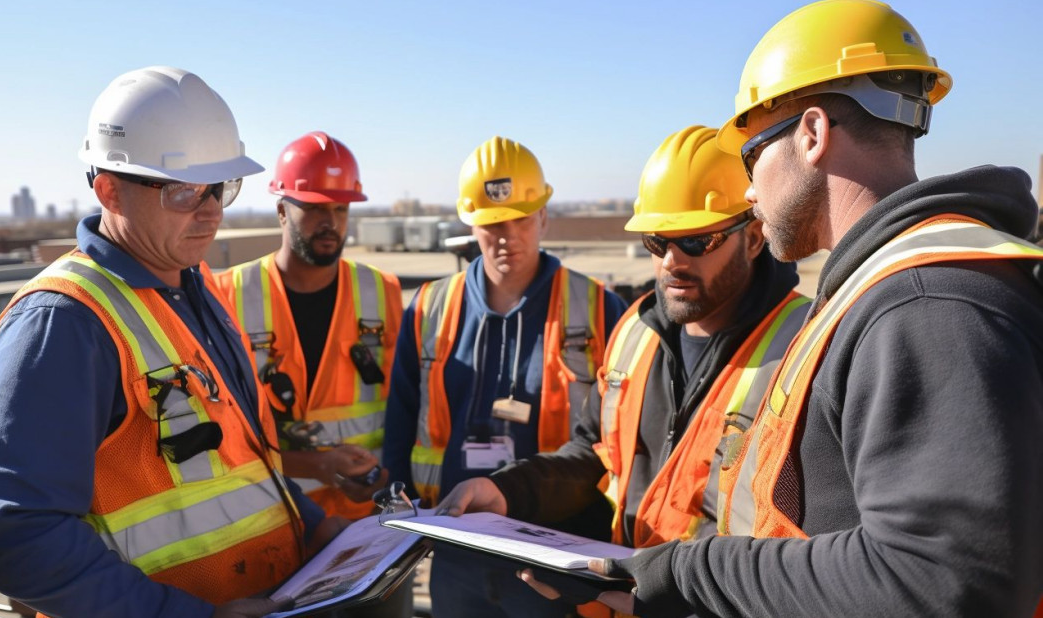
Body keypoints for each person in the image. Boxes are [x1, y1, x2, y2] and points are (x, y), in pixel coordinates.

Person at [584, 2, 1043, 617]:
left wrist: (694, 569)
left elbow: (944, 583)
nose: (748, 190)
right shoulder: (886, 291)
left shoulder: (924, 306)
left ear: (812, 134)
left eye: (751, 156)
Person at [0, 66, 340, 618]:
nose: (210, 210)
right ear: (110, 190)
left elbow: (238, 465)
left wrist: (316, 526)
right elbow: (9, 532)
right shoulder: (64, 324)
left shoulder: (193, 287)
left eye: (221, 187)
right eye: (185, 190)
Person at [437, 126, 808, 604]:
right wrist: (507, 491)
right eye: (658, 242)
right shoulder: (637, 330)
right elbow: (593, 454)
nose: (672, 261)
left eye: (696, 240)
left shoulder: (801, 345)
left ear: (754, 237)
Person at [382, 136, 627, 617]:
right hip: (456, 553)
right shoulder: (431, 308)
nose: (505, 235)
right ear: (470, 223)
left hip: (557, 560)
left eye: (519, 218)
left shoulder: (598, 309)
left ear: (542, 217)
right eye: (491, 223)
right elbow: (402, 414)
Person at [213, 131, 410, 617]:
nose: (331, 223)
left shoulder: (380, 292)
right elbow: (225, 436)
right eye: (316, 208)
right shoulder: (227, 295)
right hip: (272, 531)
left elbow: (404, 407)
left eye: (341, 209)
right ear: (281, 209)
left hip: (371, 532)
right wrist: (317, 466)